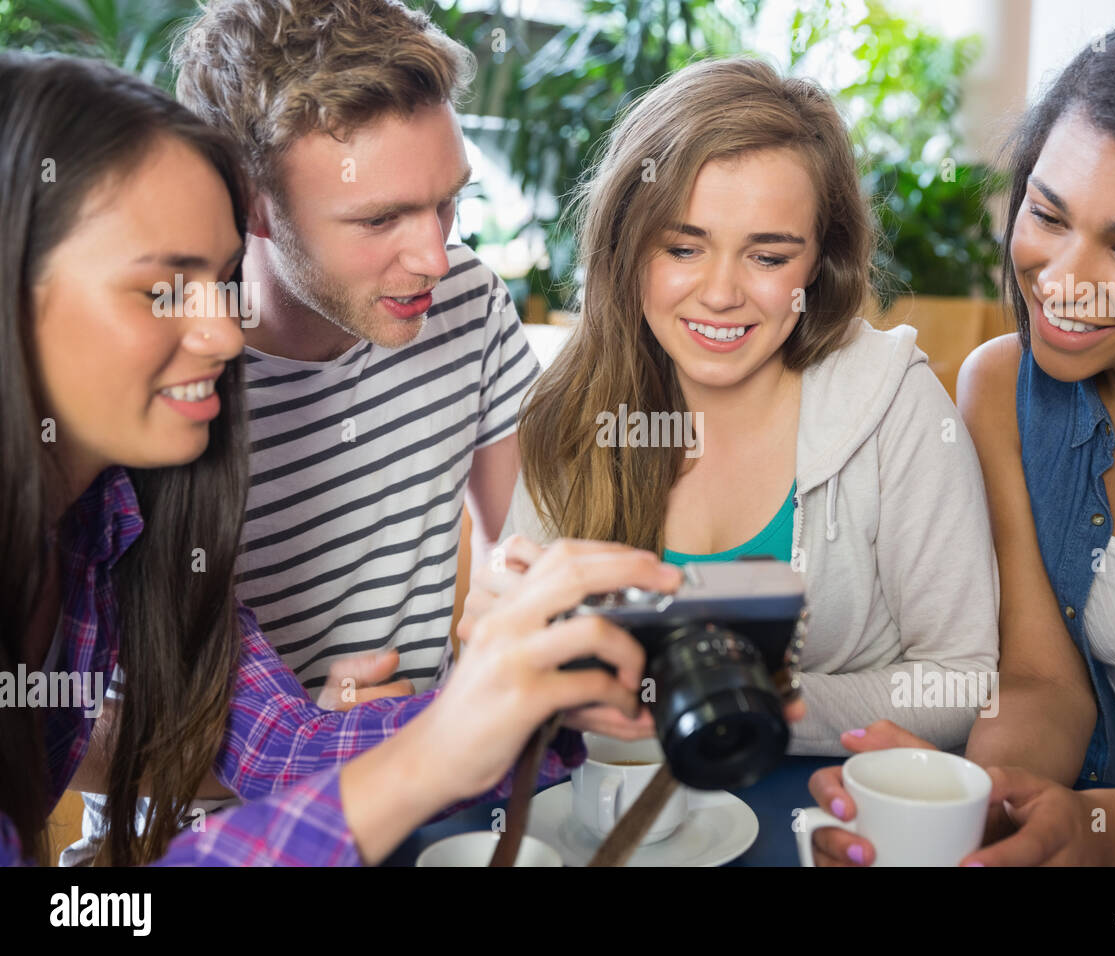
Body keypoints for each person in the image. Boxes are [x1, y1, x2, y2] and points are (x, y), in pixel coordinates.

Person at [0, 50, 679, 866]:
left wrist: (527, 707)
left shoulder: (114, 514)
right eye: (161, 291)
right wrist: (432, 755)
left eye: (218, 281)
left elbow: (273, 740)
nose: (222, 334)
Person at [808, 14, 1115, 866]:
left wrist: (1106, 834)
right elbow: (1043, 682)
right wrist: (986, 804)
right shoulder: (1000, 390)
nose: (1060, 280)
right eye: (1046, 212)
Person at [465, 58, 999, 754]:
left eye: (769, 258)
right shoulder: (570, 409)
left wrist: (720, 705)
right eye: (684, 247)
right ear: (627, 248)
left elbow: (960, 681)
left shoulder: (896, 403)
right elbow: (519, 674)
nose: (720, 294)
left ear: (820, 264)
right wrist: (503, 650)